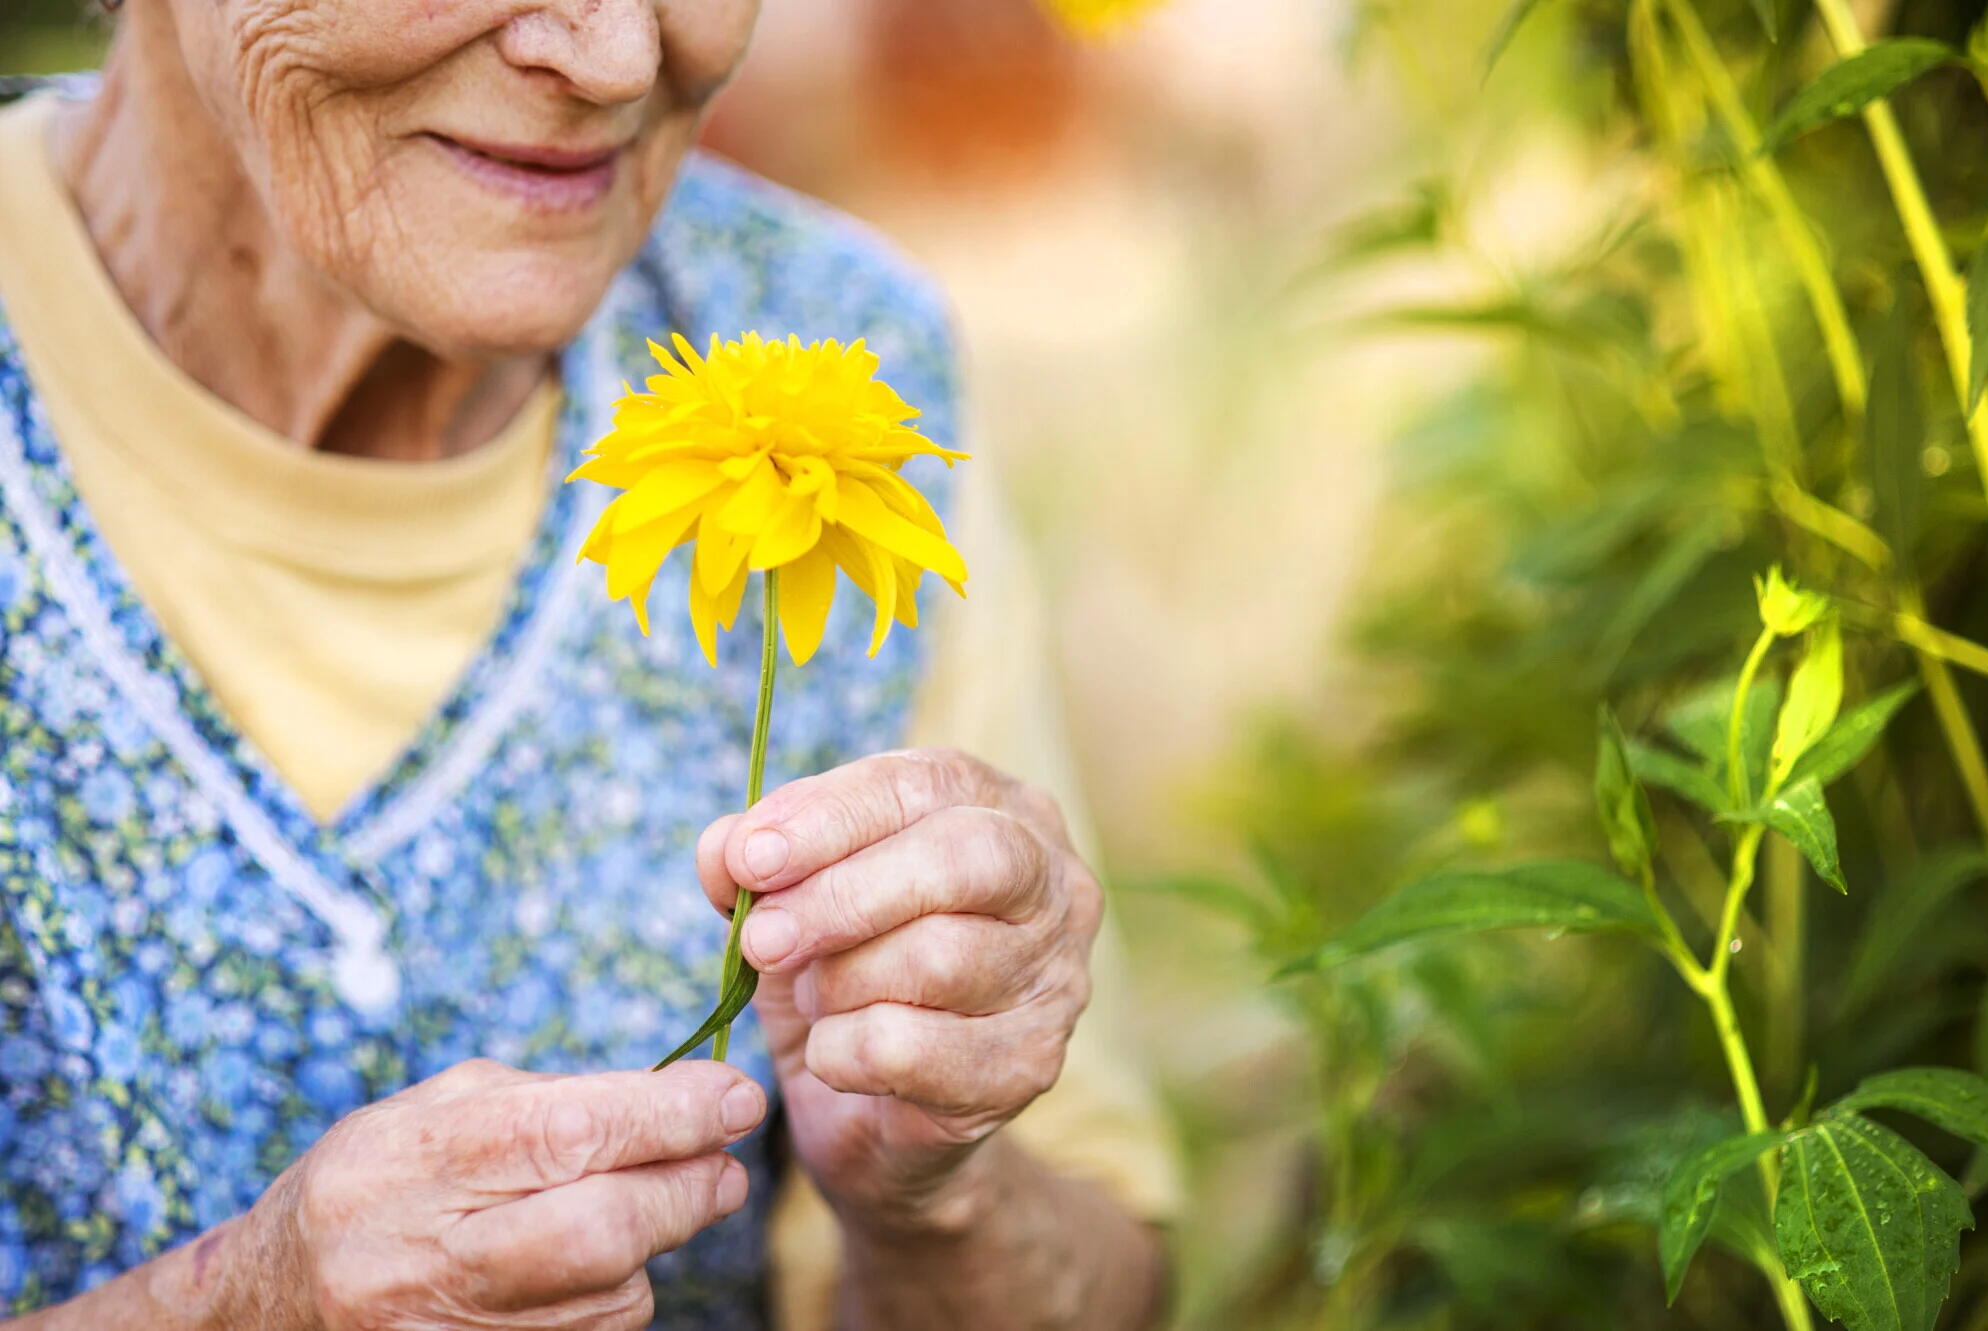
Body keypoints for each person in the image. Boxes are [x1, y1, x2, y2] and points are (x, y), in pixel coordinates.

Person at [0, 1, 1177, 1327]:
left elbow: (1109, 1274)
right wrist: (230, 1309)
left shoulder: (841, 359)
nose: (619, 55)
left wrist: (940, 1202)